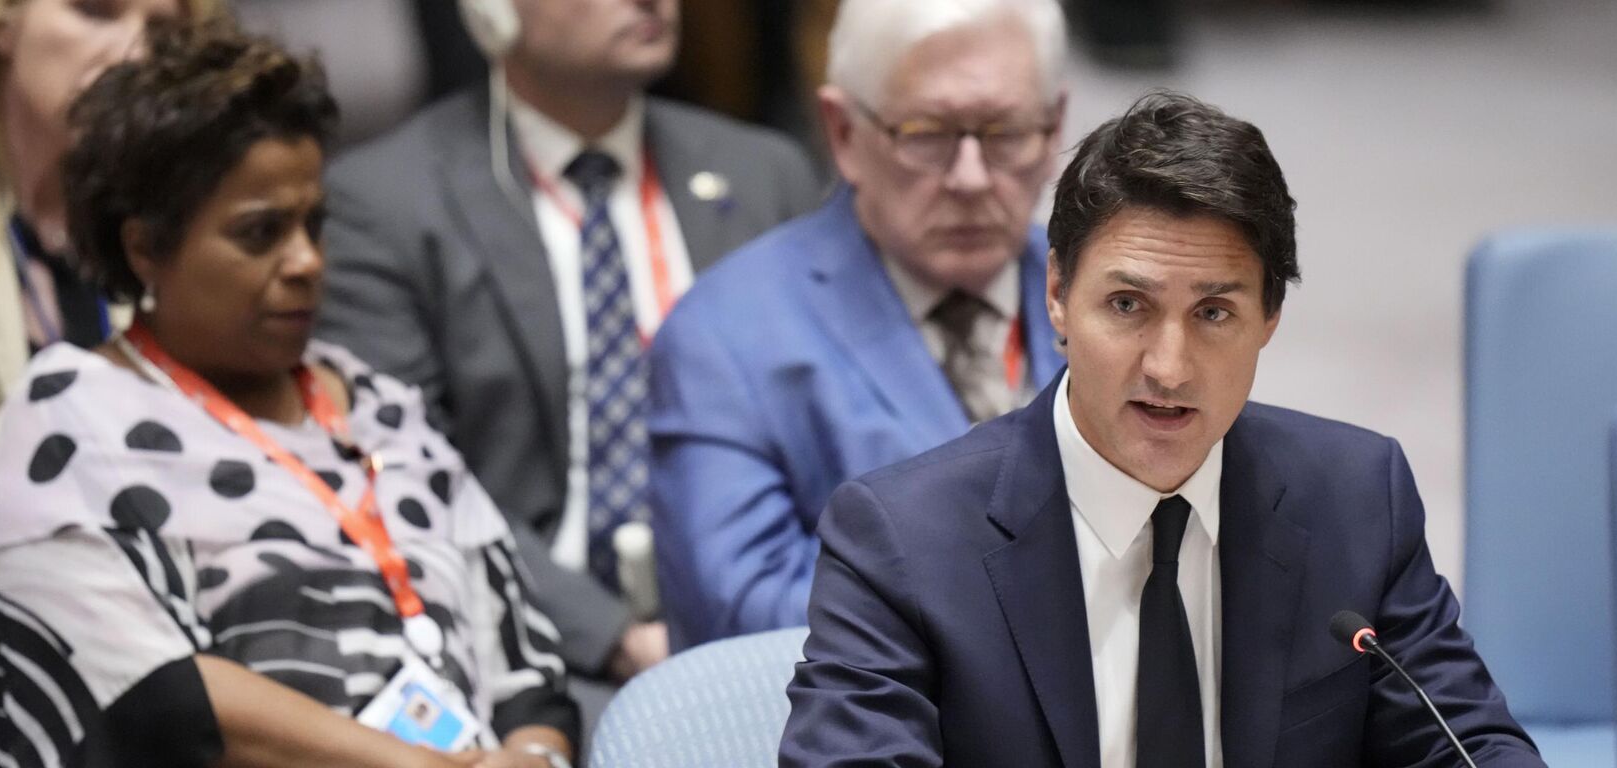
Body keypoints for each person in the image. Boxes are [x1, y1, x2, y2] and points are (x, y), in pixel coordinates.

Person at [780, 91, 1546, 768]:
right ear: (1055, 294)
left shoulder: (1356, 498)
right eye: (1127, 306)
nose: (1169, 367)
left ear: (1270, 318)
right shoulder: (900, 543)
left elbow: (1469, 744)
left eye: (1214, 313)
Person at [0, 22, 577, 768]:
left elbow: (530, 666)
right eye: (260, 233)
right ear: (146, 248)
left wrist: (531, 755)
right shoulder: (72, 418)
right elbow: (160, 705)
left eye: (314, 224)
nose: (306, 261)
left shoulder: (382, 410)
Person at [315, 0, 821, 706]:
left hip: (767, 623)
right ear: (494, 14)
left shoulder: (765, 173)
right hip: (535, 646)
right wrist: (614, 636)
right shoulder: (387, 202)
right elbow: (401, 471)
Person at [647, 0, 1069, 650]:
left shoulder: (1120, 301)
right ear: (843, 133)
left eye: (1006, 133)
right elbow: (738, 620)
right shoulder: (726, 337)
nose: (970, 177)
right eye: (927, 134)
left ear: (1054, 128)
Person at [0, 0, 223, 687]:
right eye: (96, 11)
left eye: (164, 34)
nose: (133, 54)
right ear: (1, 25)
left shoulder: (177, 246)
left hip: (146, 671)